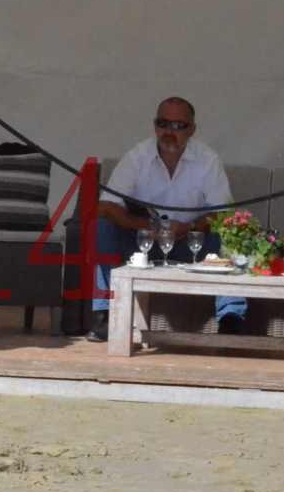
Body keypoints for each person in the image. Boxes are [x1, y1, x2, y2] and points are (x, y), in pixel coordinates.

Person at [87, 97, 244, 342]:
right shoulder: (137, 156)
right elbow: (105, 207)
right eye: (163, 124)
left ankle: (231, 317)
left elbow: (224, 213)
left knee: (229, 232)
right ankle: (104, 314)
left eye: (179, 126)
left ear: (192, 129)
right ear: (154, 126)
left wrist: (191, 227)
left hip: (190, 243)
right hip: (143, 243)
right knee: (102, 227)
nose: (169, 132)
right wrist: (146, 227)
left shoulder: (207, 160)